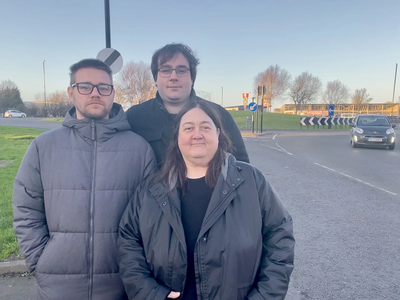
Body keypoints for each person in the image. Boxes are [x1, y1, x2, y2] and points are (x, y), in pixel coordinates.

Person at [118, 99, 295, 299]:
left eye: (205, 127)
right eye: (188, 128)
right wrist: (151, 294)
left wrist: (263, 296)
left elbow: (280, 237)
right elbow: (128, 242)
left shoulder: (252, 182)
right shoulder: (151, 190)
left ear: (217, 134)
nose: (197, 134)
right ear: (177, 136)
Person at [13, 59, 157, 300]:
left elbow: (153, 220)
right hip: (57, 288)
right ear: (71, 92)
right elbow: (26, 209)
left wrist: (139, 269)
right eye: (85, 86)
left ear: (112, 93)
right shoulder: (43, 147)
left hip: (121, 286)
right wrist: (41, 261)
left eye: (103, 87)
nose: (95, 93)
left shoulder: (139, 150)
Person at [125, 43, 249, 167]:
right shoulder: (134, 116)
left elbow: (241, 167)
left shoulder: (219, 115)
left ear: (192, 78)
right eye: (166, 70)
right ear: (155, 79)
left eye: (181, 70)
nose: (173, 77)